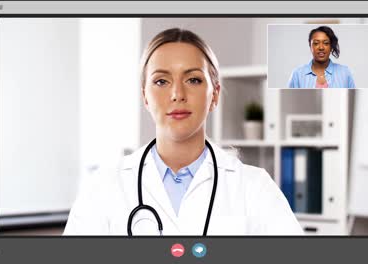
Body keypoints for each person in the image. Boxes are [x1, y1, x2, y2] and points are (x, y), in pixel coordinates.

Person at [63, 28, 303, 236]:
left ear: (215, 94)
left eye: (193, 80)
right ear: (145, 96)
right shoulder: (104, 187)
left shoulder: (254, 187)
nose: (177, 94)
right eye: (161, 81)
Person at [288, 26, 356, 88]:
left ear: (331, 46)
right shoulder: (297, 74)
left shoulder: (345, 72)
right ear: (310, 46)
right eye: (316, 43)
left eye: (326, 43)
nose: (321, 47)